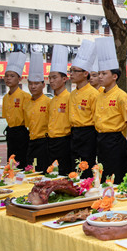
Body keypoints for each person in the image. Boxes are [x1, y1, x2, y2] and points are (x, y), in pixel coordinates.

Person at [94, 37, 127, 184]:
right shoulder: (99, 96)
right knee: (102, 176)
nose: (100, 77)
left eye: (104, 74)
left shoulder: (121, 96)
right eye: (99, 73)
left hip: (115, 141)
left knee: (116, 176)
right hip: (100, 140)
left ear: (114, 76)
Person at [69, 39, 99, 169]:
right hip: (74, 133)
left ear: (85, 73)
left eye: (75, 71)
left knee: (86, 167)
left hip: (88, 134)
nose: (72, 74)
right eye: (71, 71)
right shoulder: (72, 94)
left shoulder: (93, 94)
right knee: (74, 166)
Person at [2, 52, 30, 168]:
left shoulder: (25, 96)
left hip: (22, 132)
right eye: (6, 76)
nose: (8, 78)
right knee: (11, 162)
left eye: (12, 76)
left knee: (22, 161)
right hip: (11, 132)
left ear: (19, 78)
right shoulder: (5, 98)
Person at [47, 45, 73, 175]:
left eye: (54, 77)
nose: (51, 81)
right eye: (50, 78)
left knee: (63, 174)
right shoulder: (51, 101)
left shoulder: (70, 98)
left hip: (64, 141)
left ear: (64, 79)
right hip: (51, 141)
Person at [23, 52, 50, 172]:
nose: (33, 86)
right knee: (30, 171)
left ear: (43, 85)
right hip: (31, 142)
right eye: (30, 83)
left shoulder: (48, 102)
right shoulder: (27, 103)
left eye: (36, 83)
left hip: (44, 143)